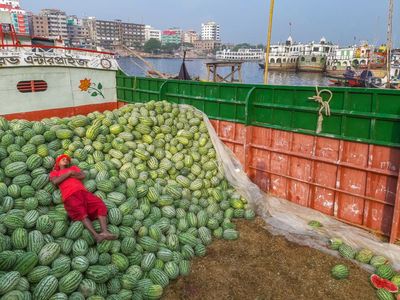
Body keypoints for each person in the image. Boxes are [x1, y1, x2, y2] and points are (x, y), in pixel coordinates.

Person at [50, 154, 116, 242]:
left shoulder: (73, 168)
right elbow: (55, 181)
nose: (65, 160)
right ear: (58, 162)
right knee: (82, 214)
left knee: (99, 205)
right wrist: (69, 173)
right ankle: (96, 235)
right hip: (69, 195)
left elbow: (82, 176)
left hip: (83, 192)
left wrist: (68, 175)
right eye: (63, 159)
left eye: (67, 159)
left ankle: (105, 232)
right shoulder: (55, 173)